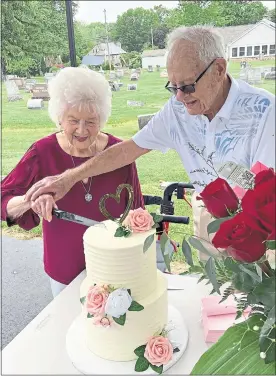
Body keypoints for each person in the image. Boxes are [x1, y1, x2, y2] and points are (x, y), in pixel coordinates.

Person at [25, 26, 275, 260]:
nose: (179, 97)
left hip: (260, 224)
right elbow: (127, 150)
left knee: (257, 298)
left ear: (219, 69)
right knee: (215, 294)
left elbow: (262, 187)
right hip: (210, 216)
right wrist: (68, 178)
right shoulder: (177, 109)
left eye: (187, 86)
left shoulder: (264, 111)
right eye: (173, 86)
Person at [1, 67, 144, 297]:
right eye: (73, 120)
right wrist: (33, 199)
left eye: (91, 121)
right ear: (59, 118)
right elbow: (3, 200)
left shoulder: (118, 153)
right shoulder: (42, 152)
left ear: (102, 119)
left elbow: (137, 209)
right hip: (63, 270)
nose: (81, 130)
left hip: (114, 268)